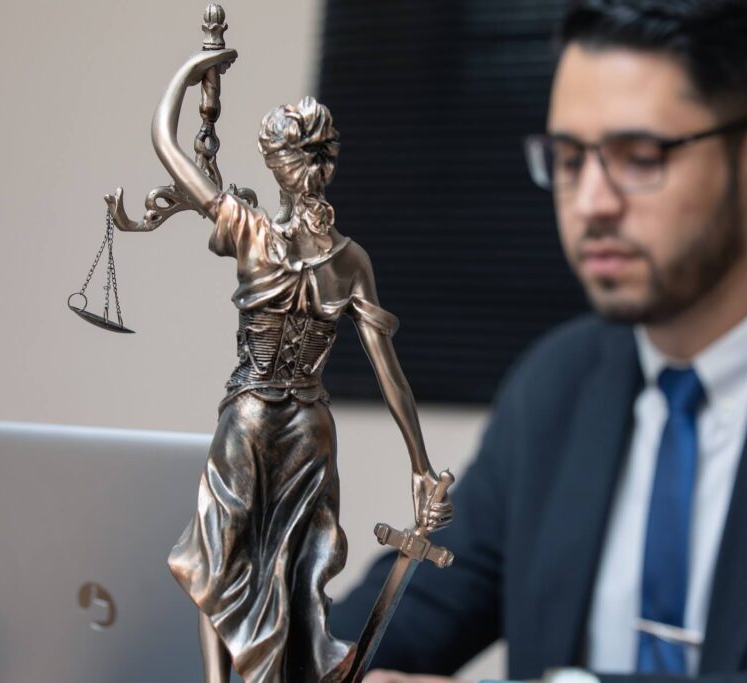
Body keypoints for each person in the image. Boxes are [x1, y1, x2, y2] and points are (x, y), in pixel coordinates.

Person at [329, 1, 747, 681]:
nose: (591, 201)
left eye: (638, 155)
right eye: (569, 158)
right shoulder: (557, 384)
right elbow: (364, 638)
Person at [111, 46, 454, 683]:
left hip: (292, 428)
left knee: (290, 571)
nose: (317, 165)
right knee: (221, 562)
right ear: (277, 162)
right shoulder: (255, 231)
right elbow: (168, 145)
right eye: (306, 152)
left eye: (325, 151)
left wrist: (420, 465)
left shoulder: (336, 255)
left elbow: (389, 370)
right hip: (261, 422)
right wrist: (193, 70)